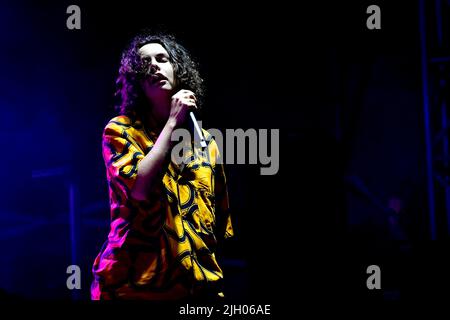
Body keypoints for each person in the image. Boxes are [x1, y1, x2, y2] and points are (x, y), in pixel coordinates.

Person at [91, 31, 233, 300]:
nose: (154, 65)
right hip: (136, 286)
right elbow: (140, 188)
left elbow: (217, 224)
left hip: (197, 287)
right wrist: (172, 122)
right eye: (145, 64)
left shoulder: (207, 144)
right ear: (137, 81)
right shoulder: (121, 131)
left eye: (162, 58)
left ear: (178, 69)